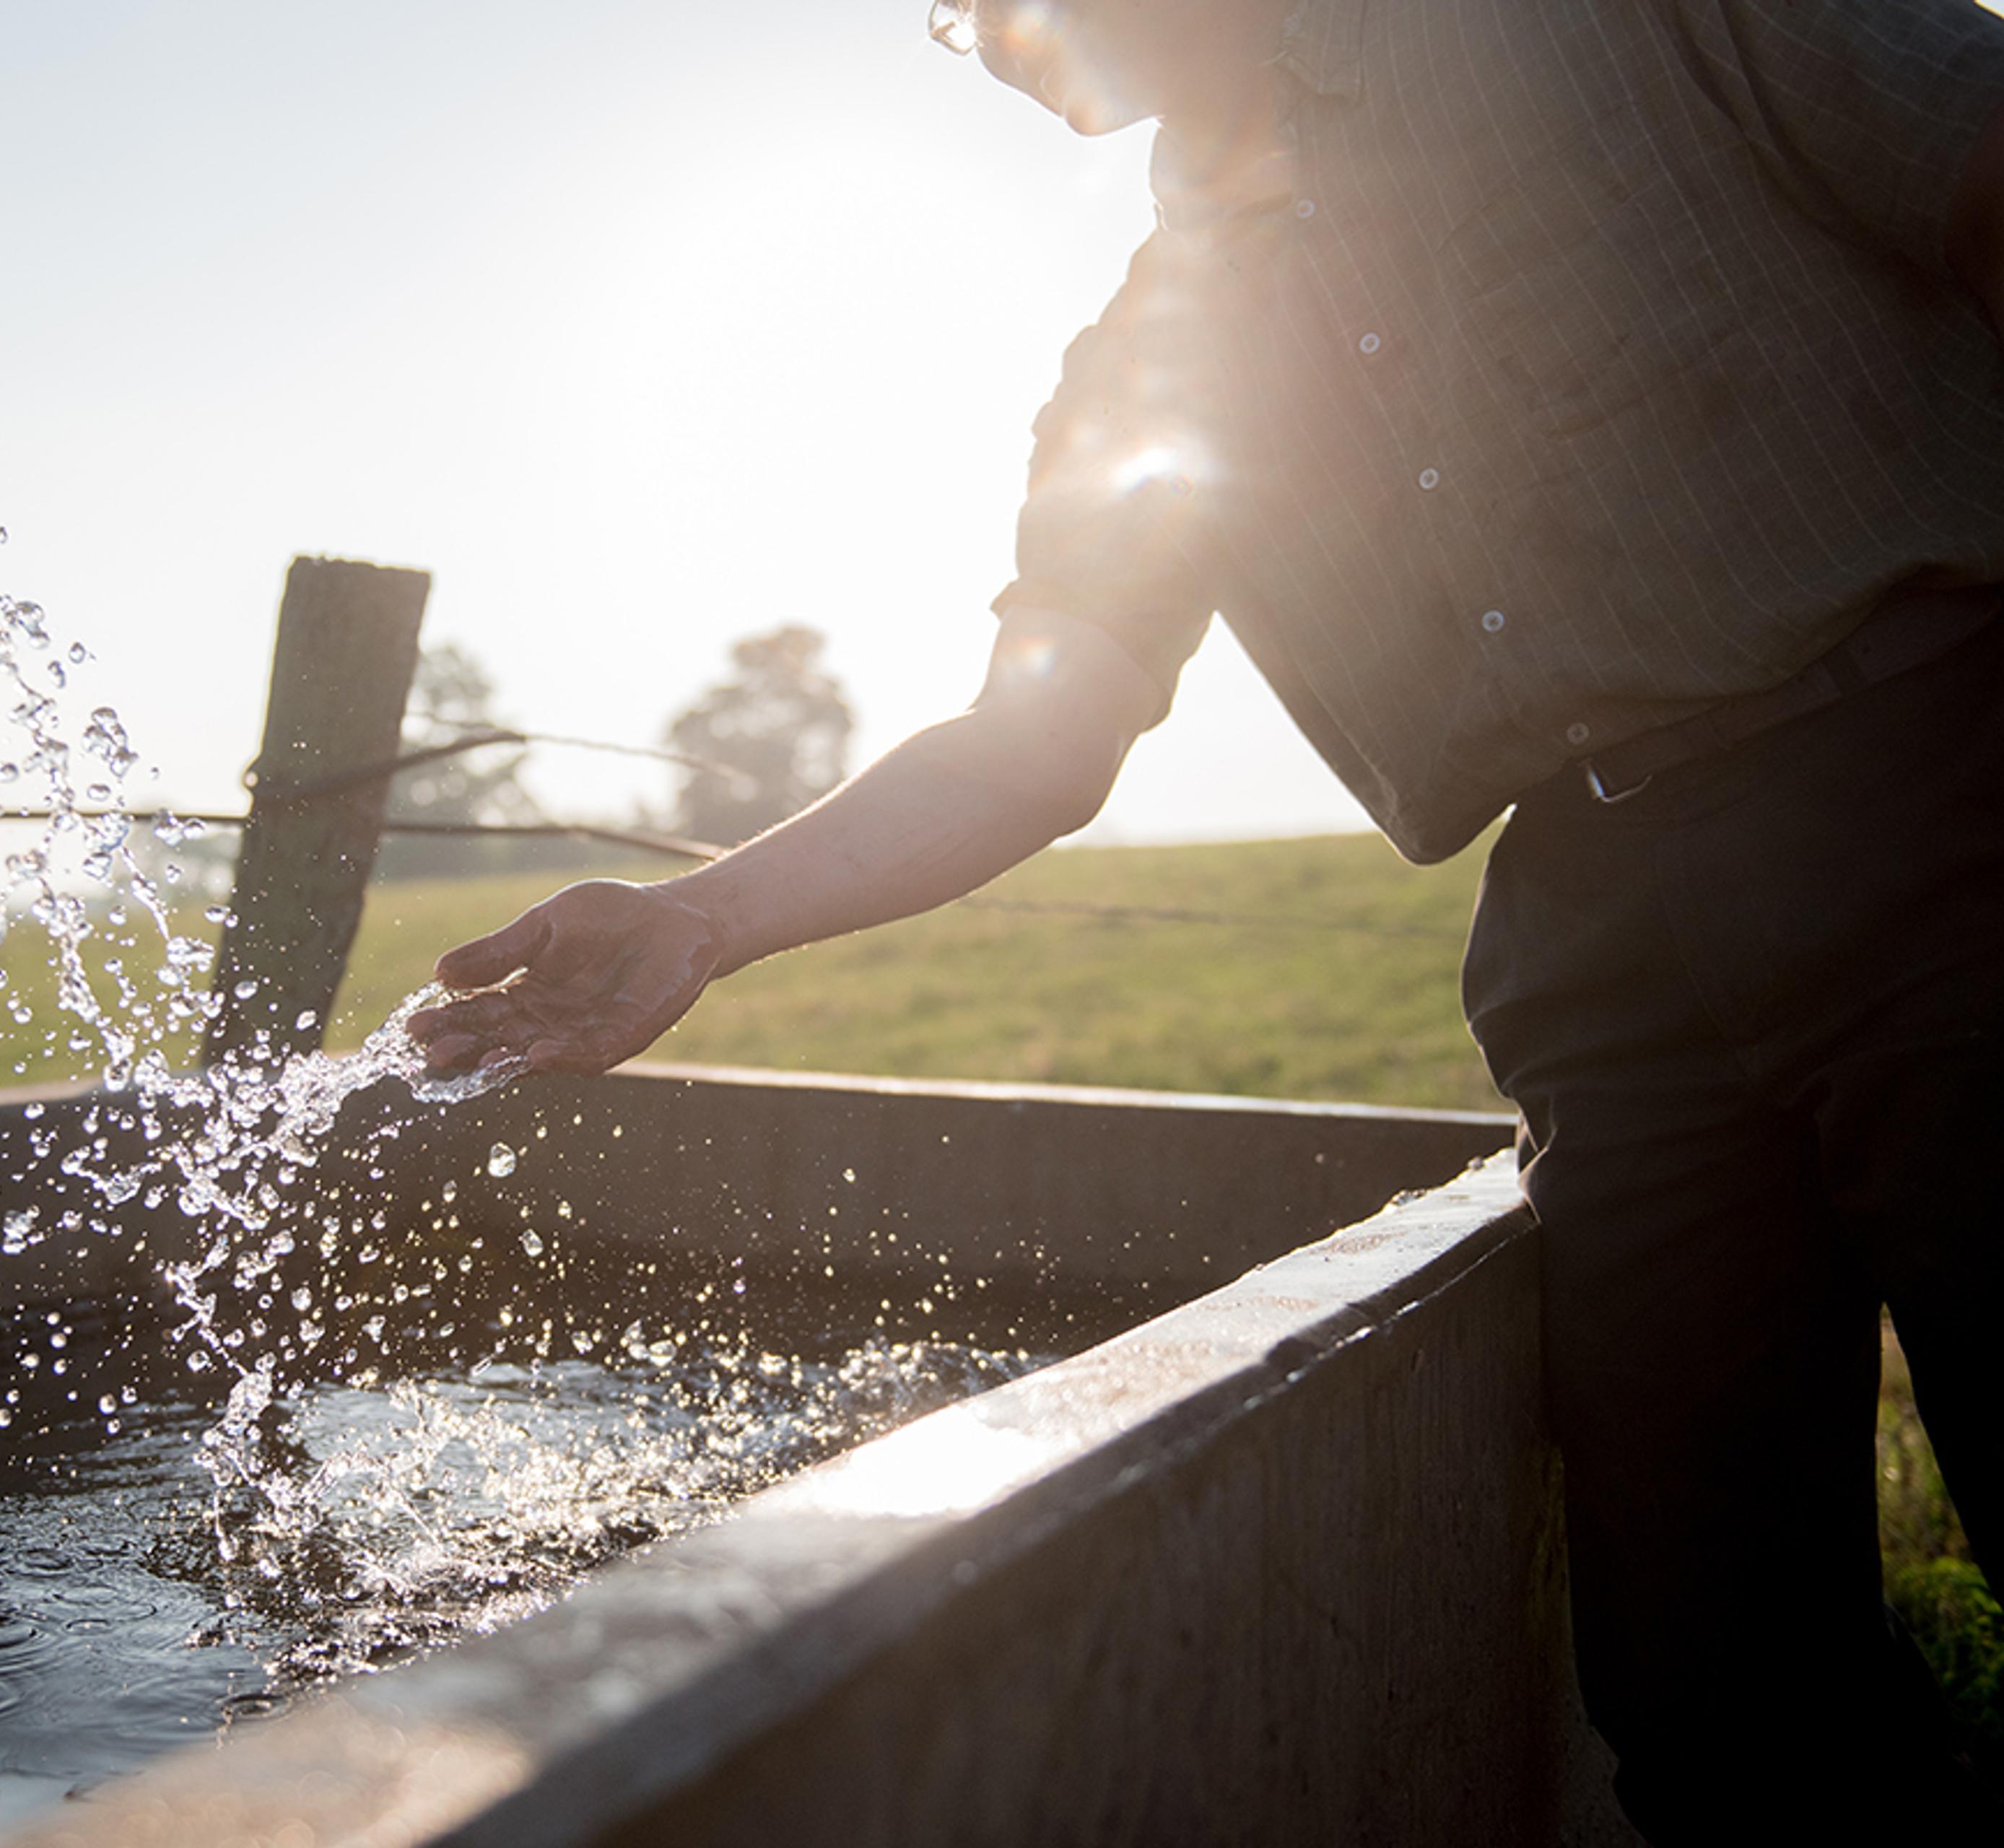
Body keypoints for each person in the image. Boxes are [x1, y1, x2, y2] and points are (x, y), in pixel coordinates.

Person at [413, 0, 2004, 1836]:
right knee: (1715, 1685)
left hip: (1940, 799)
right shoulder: (1145, 365)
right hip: (1606, 950)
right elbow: (1038, 736)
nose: (990, 34)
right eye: (956, 15)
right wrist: (703, 916)